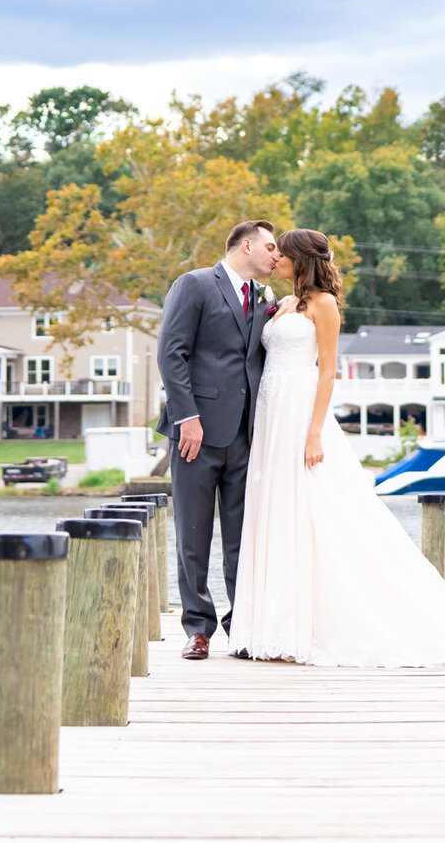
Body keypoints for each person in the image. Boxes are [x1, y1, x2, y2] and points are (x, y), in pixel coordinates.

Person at [228, 228, 445, 666]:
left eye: (282, 254)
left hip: (300, 413)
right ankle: (272, 625)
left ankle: (314, 625)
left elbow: (327, 373)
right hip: (271, 415)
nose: (276, 259)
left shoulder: (324, 305)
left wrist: (314, 432)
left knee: (312, 510)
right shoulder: (285, 303)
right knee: (276, 509)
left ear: (300, 260)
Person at [156, 218, 279, 660]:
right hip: (197, 432)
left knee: (242, 537)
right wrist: (186, 415)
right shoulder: (193, 285)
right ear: (246, 246)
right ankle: (198, 628)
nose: (276, 256)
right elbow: (171, 352)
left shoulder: (267, 298)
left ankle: (240, 626)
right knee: (192, 532)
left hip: (247, 434)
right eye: (270, 247)